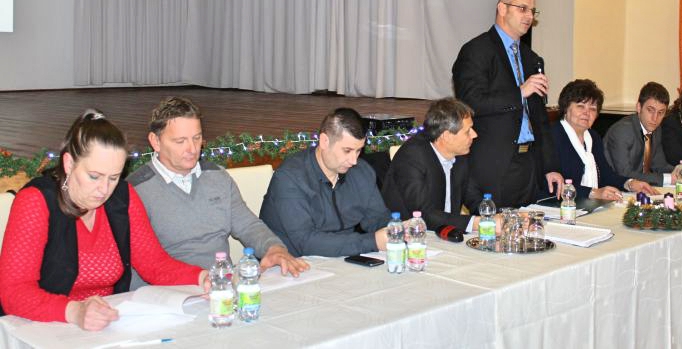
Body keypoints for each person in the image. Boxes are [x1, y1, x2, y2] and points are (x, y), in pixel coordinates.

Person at [0, 111, 207, 331]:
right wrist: (75, 311)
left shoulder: (123, 197)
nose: (104, 189)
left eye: (114, 177)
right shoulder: (36, 201)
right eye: (94, 176)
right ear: (69, 163)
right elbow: (14, 292)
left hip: (105, 323)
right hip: (42, 324)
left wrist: (203, 277)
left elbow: (154, 264)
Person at [127, 97, 307, 287]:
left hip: (221, 284)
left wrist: (273, 248)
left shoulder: (217, 177)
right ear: (155, 141)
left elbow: (248, 226)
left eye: (197, 138)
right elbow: (150, 265)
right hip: (167, 291)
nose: (192, 149)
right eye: (180, 141)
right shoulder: (136, 190)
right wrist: (200, 279)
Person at [452, 0, 563, 208]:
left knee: (529, 226)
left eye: (532, 11)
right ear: (502, 9)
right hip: (493, 163)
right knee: (494, 226)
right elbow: (470, 102)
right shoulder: (476, 51)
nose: (529, 16)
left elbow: (539, 119)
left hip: (528, 163)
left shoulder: (532, 58)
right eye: (522, 9)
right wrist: (519, 92)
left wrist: (550, 166)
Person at [260, 108, 391, 257]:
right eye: (347, 151)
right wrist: (372, 242)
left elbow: (378, 219)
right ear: (324, 141)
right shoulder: (290, 178)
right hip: (293, 263)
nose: (354, 160)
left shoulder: (361, 172)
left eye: (358, 151)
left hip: (343, 258)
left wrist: (396, 230)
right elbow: (306, 243)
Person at [381, 98, 491, 233]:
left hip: (448, 234)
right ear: (447, 136)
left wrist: (493, 216)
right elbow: (424, 214)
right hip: (408, 236)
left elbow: (473, 197)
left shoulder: (459, 153)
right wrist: (477, 223)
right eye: (468, 131)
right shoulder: (412, 157)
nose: (474, 134)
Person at [551, 80, 659, 200]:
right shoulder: (551, 136)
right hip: (559, 205)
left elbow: (606, 175)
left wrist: (630, 184)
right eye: (580, 106)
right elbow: (552, 184)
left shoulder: (593, 137)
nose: (587, 113)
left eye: (593, 109)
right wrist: (592, 193)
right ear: (566, 108)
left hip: (590, 204)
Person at [603, 82, 677, 186]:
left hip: (640, 188)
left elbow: (660, 165)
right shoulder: (622, 131)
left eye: (660, 113)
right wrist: (667, 179)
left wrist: (680, 171)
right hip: (616, 188)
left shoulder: (656, 129)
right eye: (650, 110)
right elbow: (624, 174)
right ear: (638, 107)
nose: (655, 118)